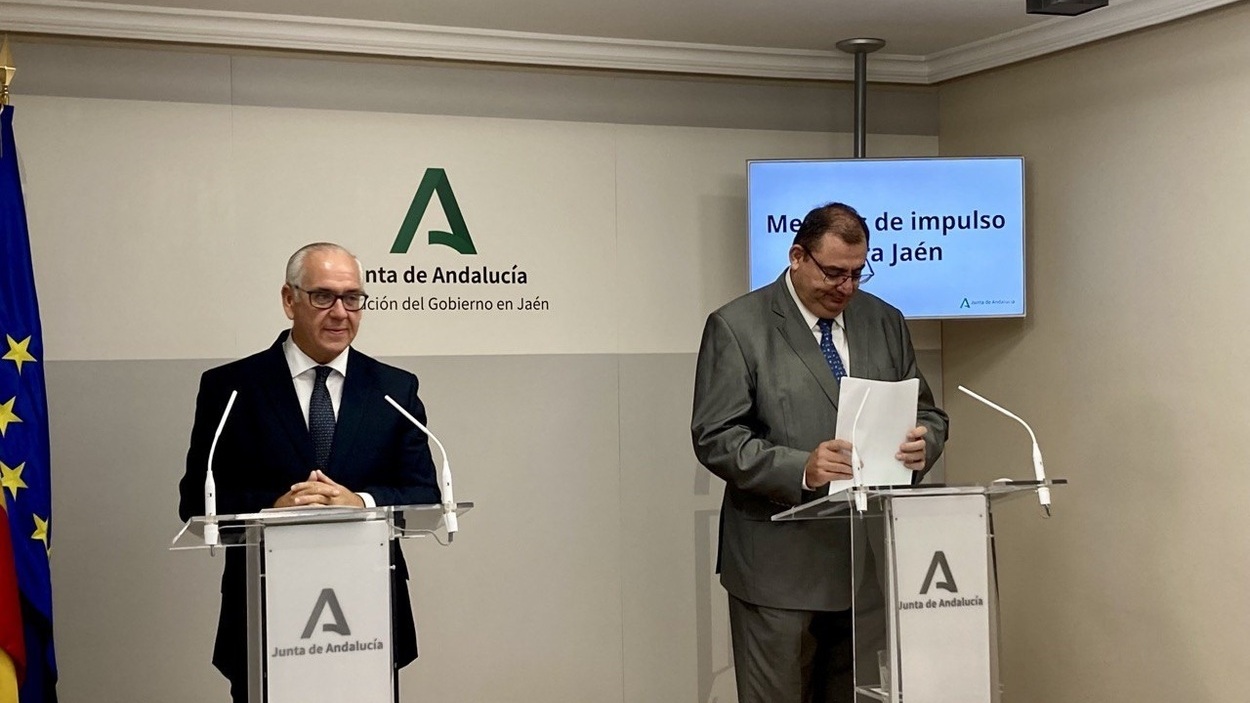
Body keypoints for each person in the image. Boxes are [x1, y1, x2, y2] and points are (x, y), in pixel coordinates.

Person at [691, 202, 948, 703]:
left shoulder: (884, 320)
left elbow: (929, 414)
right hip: (776, 569)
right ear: (797, 257)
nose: (846, 288)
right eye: (833, 273)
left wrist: (925, 443)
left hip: (864, 563)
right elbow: (715, 436)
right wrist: (800, 468)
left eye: (857, 273)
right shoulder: (738, 326)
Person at [178, 242, 441, 702]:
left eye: (353, 298)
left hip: (368, 615)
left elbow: (424, 495)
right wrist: (270, 509)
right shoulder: (231, 388)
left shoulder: (395, 389)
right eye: (323, 296)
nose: (341, 312)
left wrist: (360, 503)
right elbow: (197, 503)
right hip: (263, 615)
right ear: (289, 300)